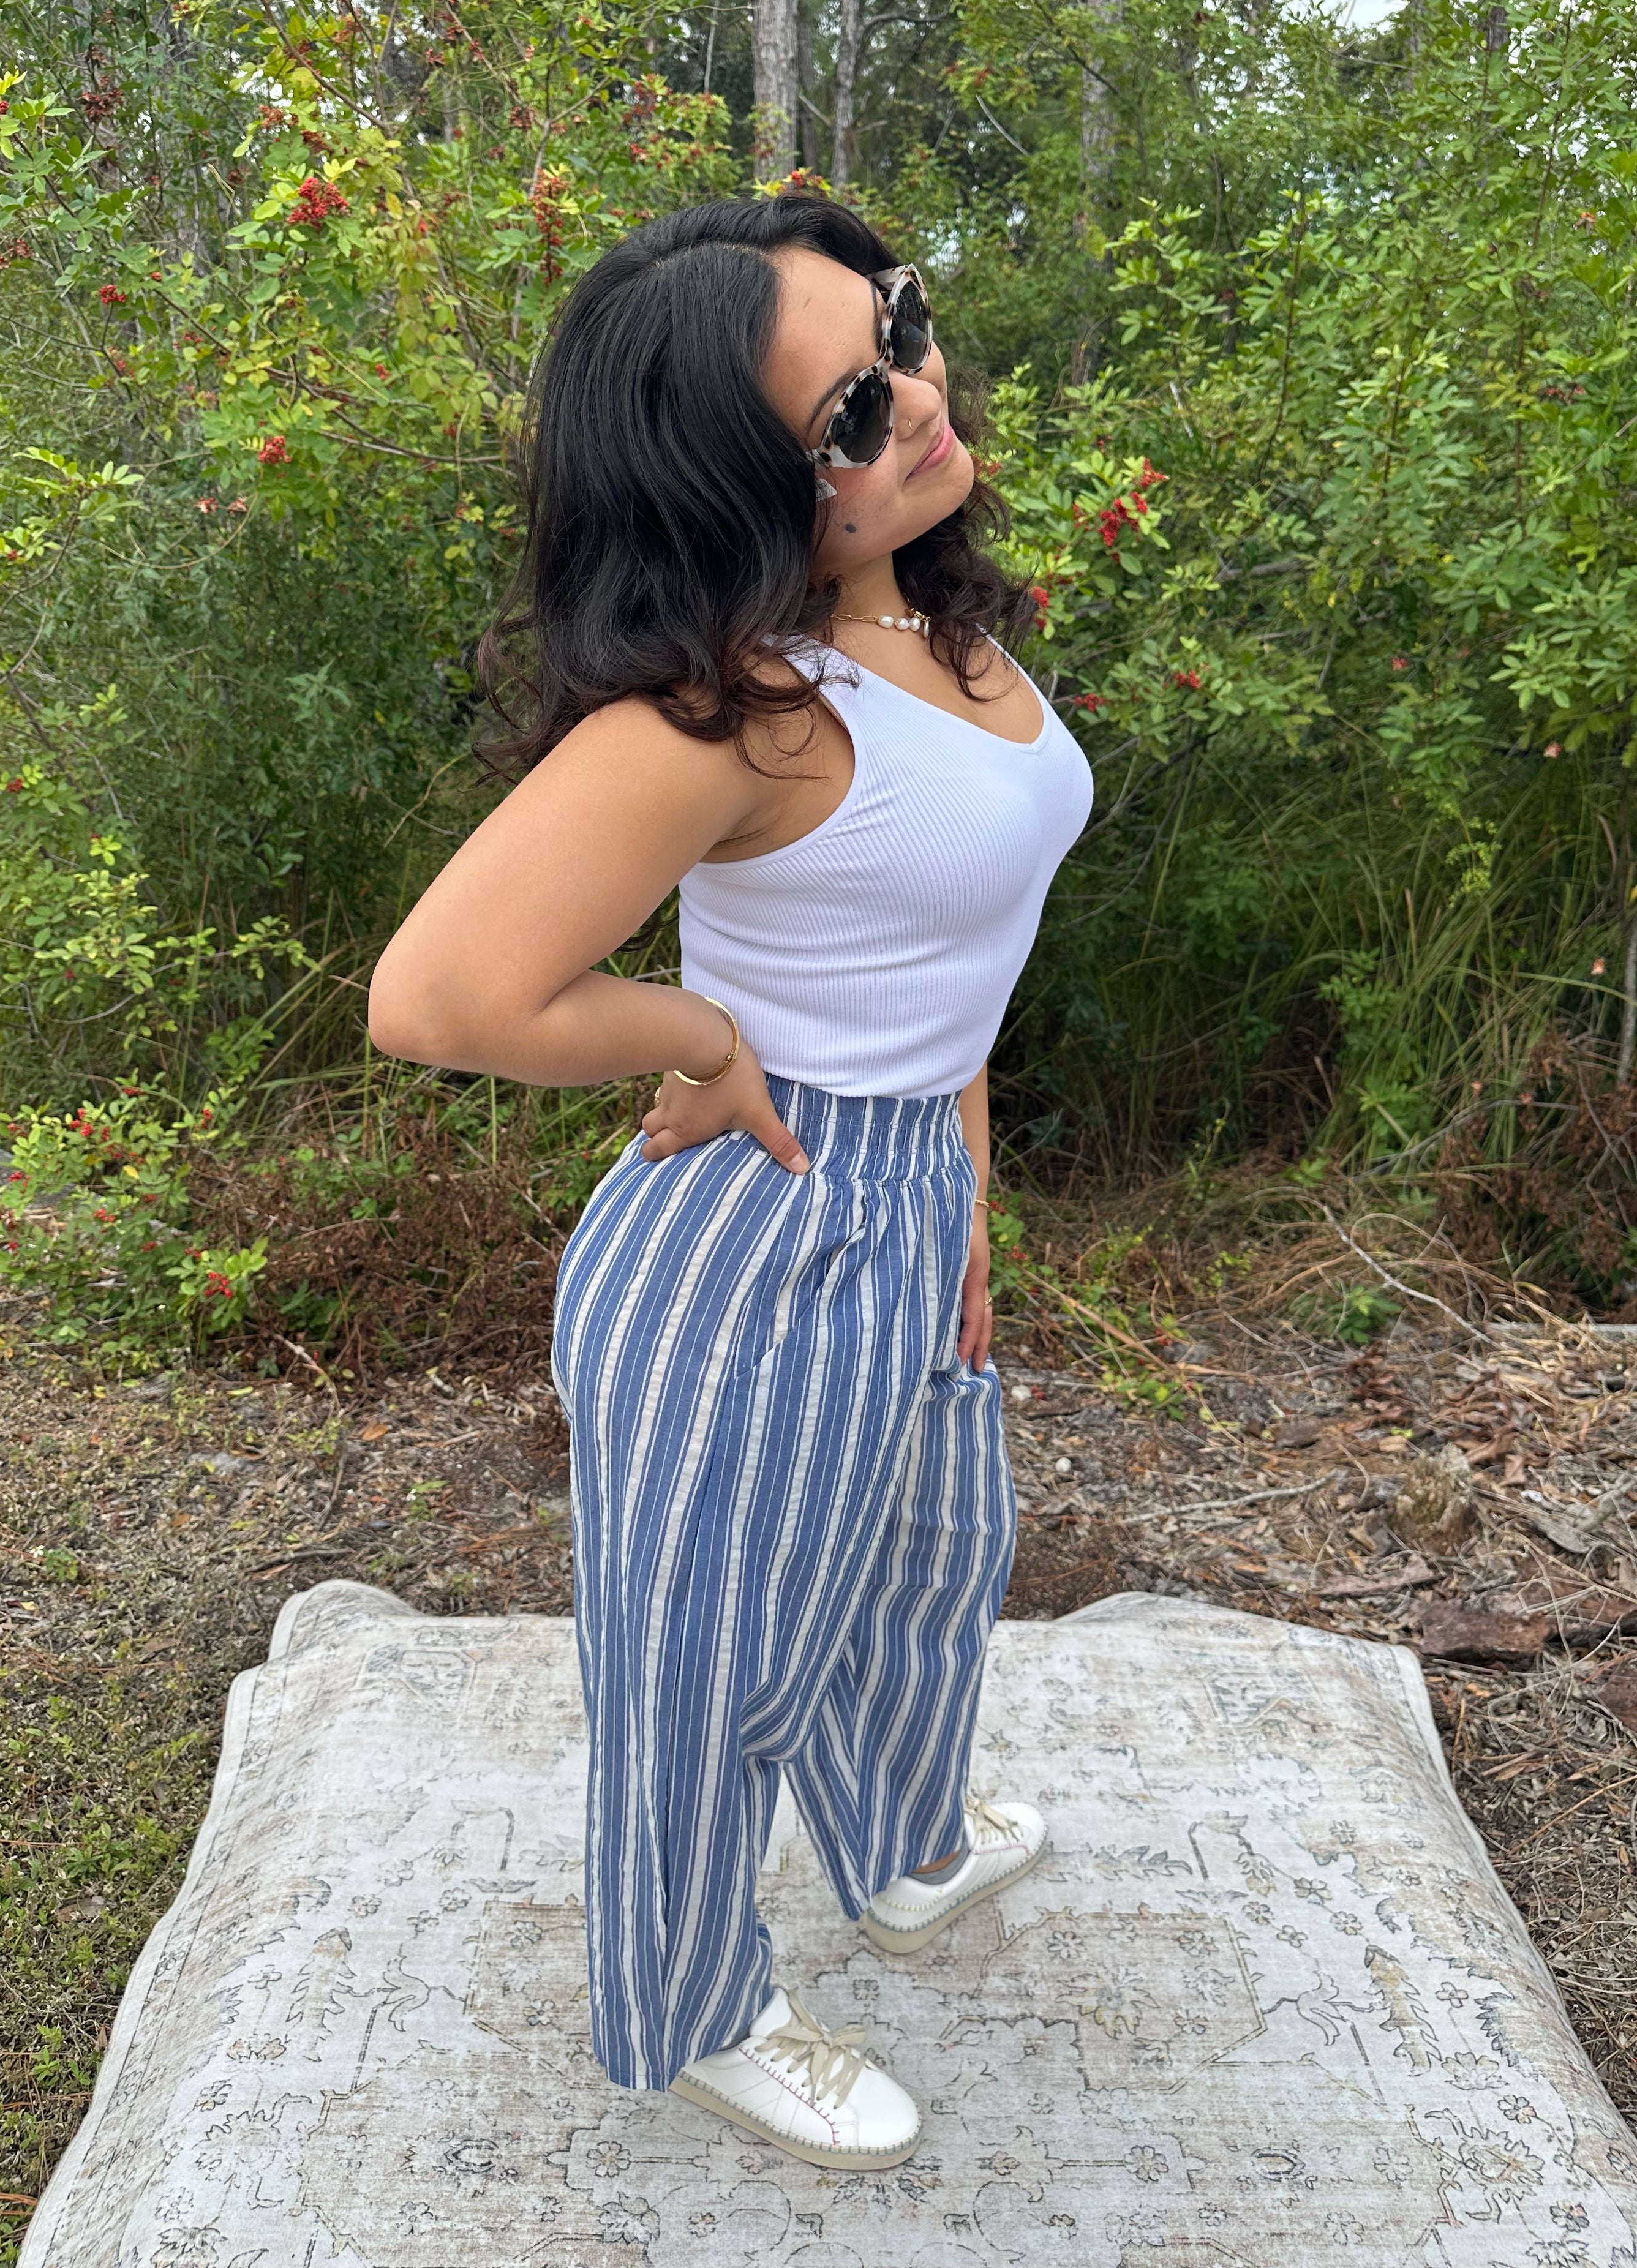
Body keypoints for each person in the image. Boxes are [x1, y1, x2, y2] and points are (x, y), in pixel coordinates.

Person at [367, 195, 1093, 2171]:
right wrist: (696, 1034)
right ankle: (689, 2003)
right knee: (711, 1660)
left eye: (899, 333)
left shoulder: (925, 620)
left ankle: (906, 1845)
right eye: (849, 412)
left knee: (932, 1552)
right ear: (735, 494)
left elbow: (944, 946)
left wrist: (965, 1183)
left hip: (910, 1182)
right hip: (760, 1233)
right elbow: (438, 993)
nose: (915, 400)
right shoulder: (737, 711)